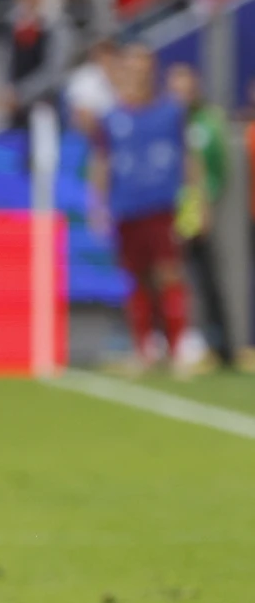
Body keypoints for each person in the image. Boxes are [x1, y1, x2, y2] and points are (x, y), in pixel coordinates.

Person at [88, 45, 197, 375]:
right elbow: (102, 162)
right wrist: (98, 204)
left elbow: (188, 156)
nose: (137, 73)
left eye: (143, 66)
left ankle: (177, 350)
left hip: (161, 203)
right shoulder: (111, 118)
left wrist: (195, 199)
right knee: (136, 279)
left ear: (152, 71)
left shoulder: (171, 112)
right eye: (131, 66)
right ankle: (145, 349)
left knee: (168, 273)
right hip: (126, 206)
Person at [166, 63, 232, 369]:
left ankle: (222, 344)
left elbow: (217, 166)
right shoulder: (164, 120)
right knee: (171, 276)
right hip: (167, 207)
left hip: (197, 205)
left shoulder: (208, 122)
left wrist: (205, 201)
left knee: (206, 277)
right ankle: (177, 340)